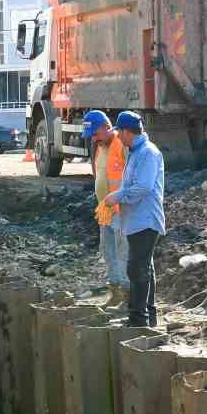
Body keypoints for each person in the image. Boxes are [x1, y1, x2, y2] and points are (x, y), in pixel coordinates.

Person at [98, 110, 164, 327]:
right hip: (136, 220)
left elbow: (143, 187)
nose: (118, 137)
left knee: (136, 269)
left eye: (120, 132)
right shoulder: (136, 151)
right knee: (144, 267)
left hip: (145, 220)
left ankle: (138, 319)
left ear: (127, 132)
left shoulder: (147, 153)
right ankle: (148, 316)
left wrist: (113, 197)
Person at [83, 110, 129, 306]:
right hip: (105, 210)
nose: (94, 138)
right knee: (108, 253)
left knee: (123, 253)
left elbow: (132, 180)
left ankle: (128, 296)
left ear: (106, 127)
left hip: (123, 211)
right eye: (91, 135)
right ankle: (116, 292)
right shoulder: (100, 146)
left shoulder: (123, 146)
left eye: (96, 134)